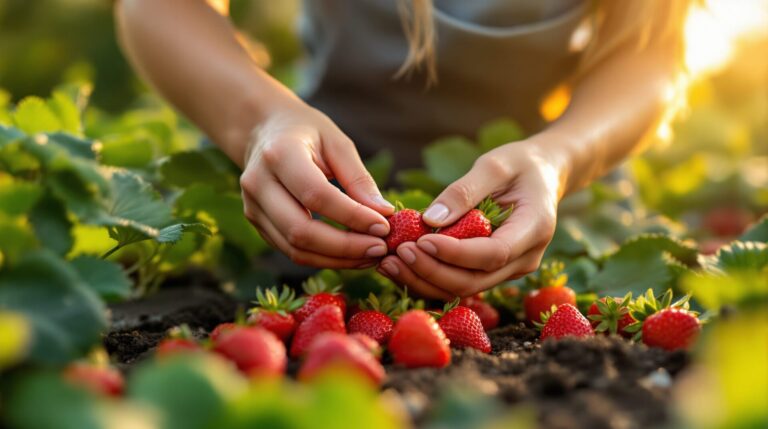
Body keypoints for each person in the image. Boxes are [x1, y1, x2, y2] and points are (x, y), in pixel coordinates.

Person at [115, 0, 692, 300]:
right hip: (300, 193)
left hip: (552, 213)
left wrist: (560, 158)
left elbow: (651, 47)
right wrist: (259, 121)